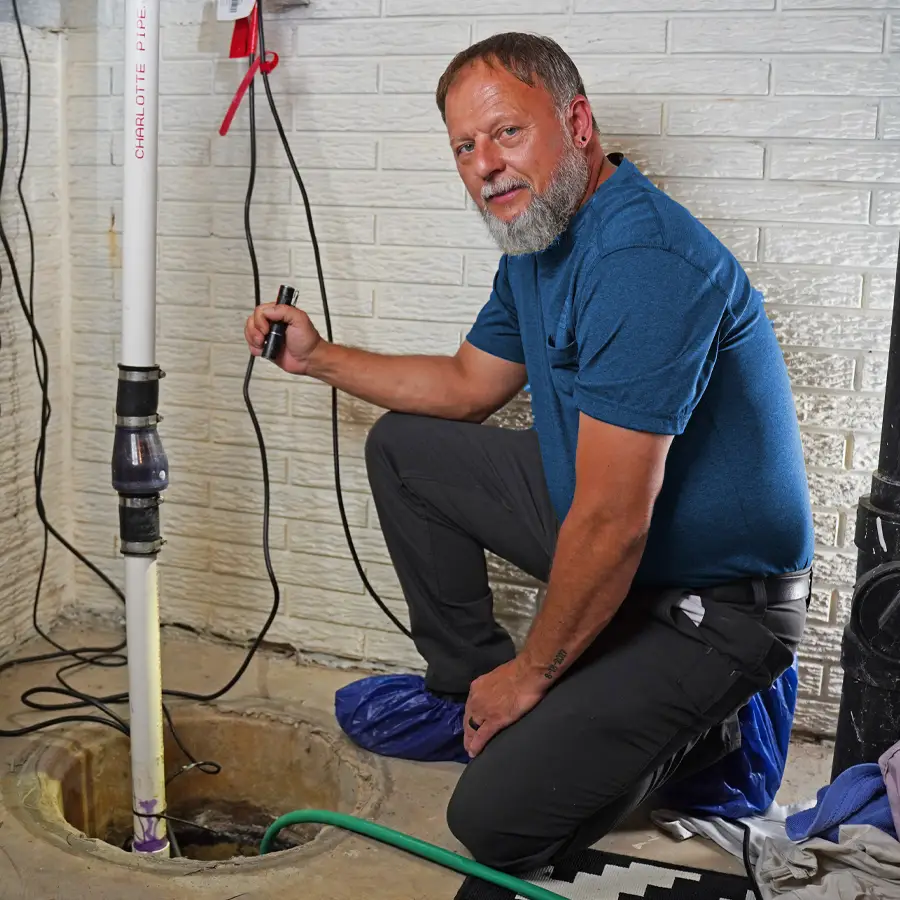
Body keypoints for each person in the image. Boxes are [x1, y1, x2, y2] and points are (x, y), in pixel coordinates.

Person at [244, 32, 814, 875]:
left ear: (577, 122)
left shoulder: (641, 261)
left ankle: (711, 734)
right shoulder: (540, 239)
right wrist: (317, 357)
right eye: (466, 147)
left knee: (496, 818)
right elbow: (468, 384)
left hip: (715, 600)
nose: (485, 165)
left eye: (507, 132)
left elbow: (614, 521)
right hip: (617, 526)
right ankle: (464, 693)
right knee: (407, 449)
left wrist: (531, 676)